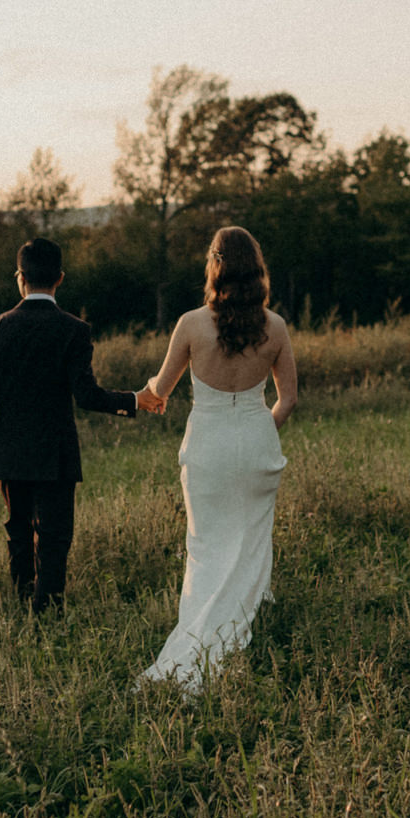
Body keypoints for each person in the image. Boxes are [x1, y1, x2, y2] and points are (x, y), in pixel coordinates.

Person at [0, 237, 165, 613]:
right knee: (55, 537)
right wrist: (134, 400)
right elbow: (87, 396)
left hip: (8, 453)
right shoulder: (74, 330)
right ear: (60, 278)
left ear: (19, 278)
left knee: (19, 534)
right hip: (55, 454)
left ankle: (25, 604)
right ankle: (49, 613)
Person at [139, 226, 297, 689]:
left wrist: (141, 394)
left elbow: (160, 390)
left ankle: (202, 630)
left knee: (206, 545)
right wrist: (257, 435)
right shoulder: (276, 327)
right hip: (255, 444)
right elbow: (288, 401)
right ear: (256, 267)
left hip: (206, 448)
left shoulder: (190, 324)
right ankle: (244, 624)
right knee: (250, 540)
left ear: (214, 265)